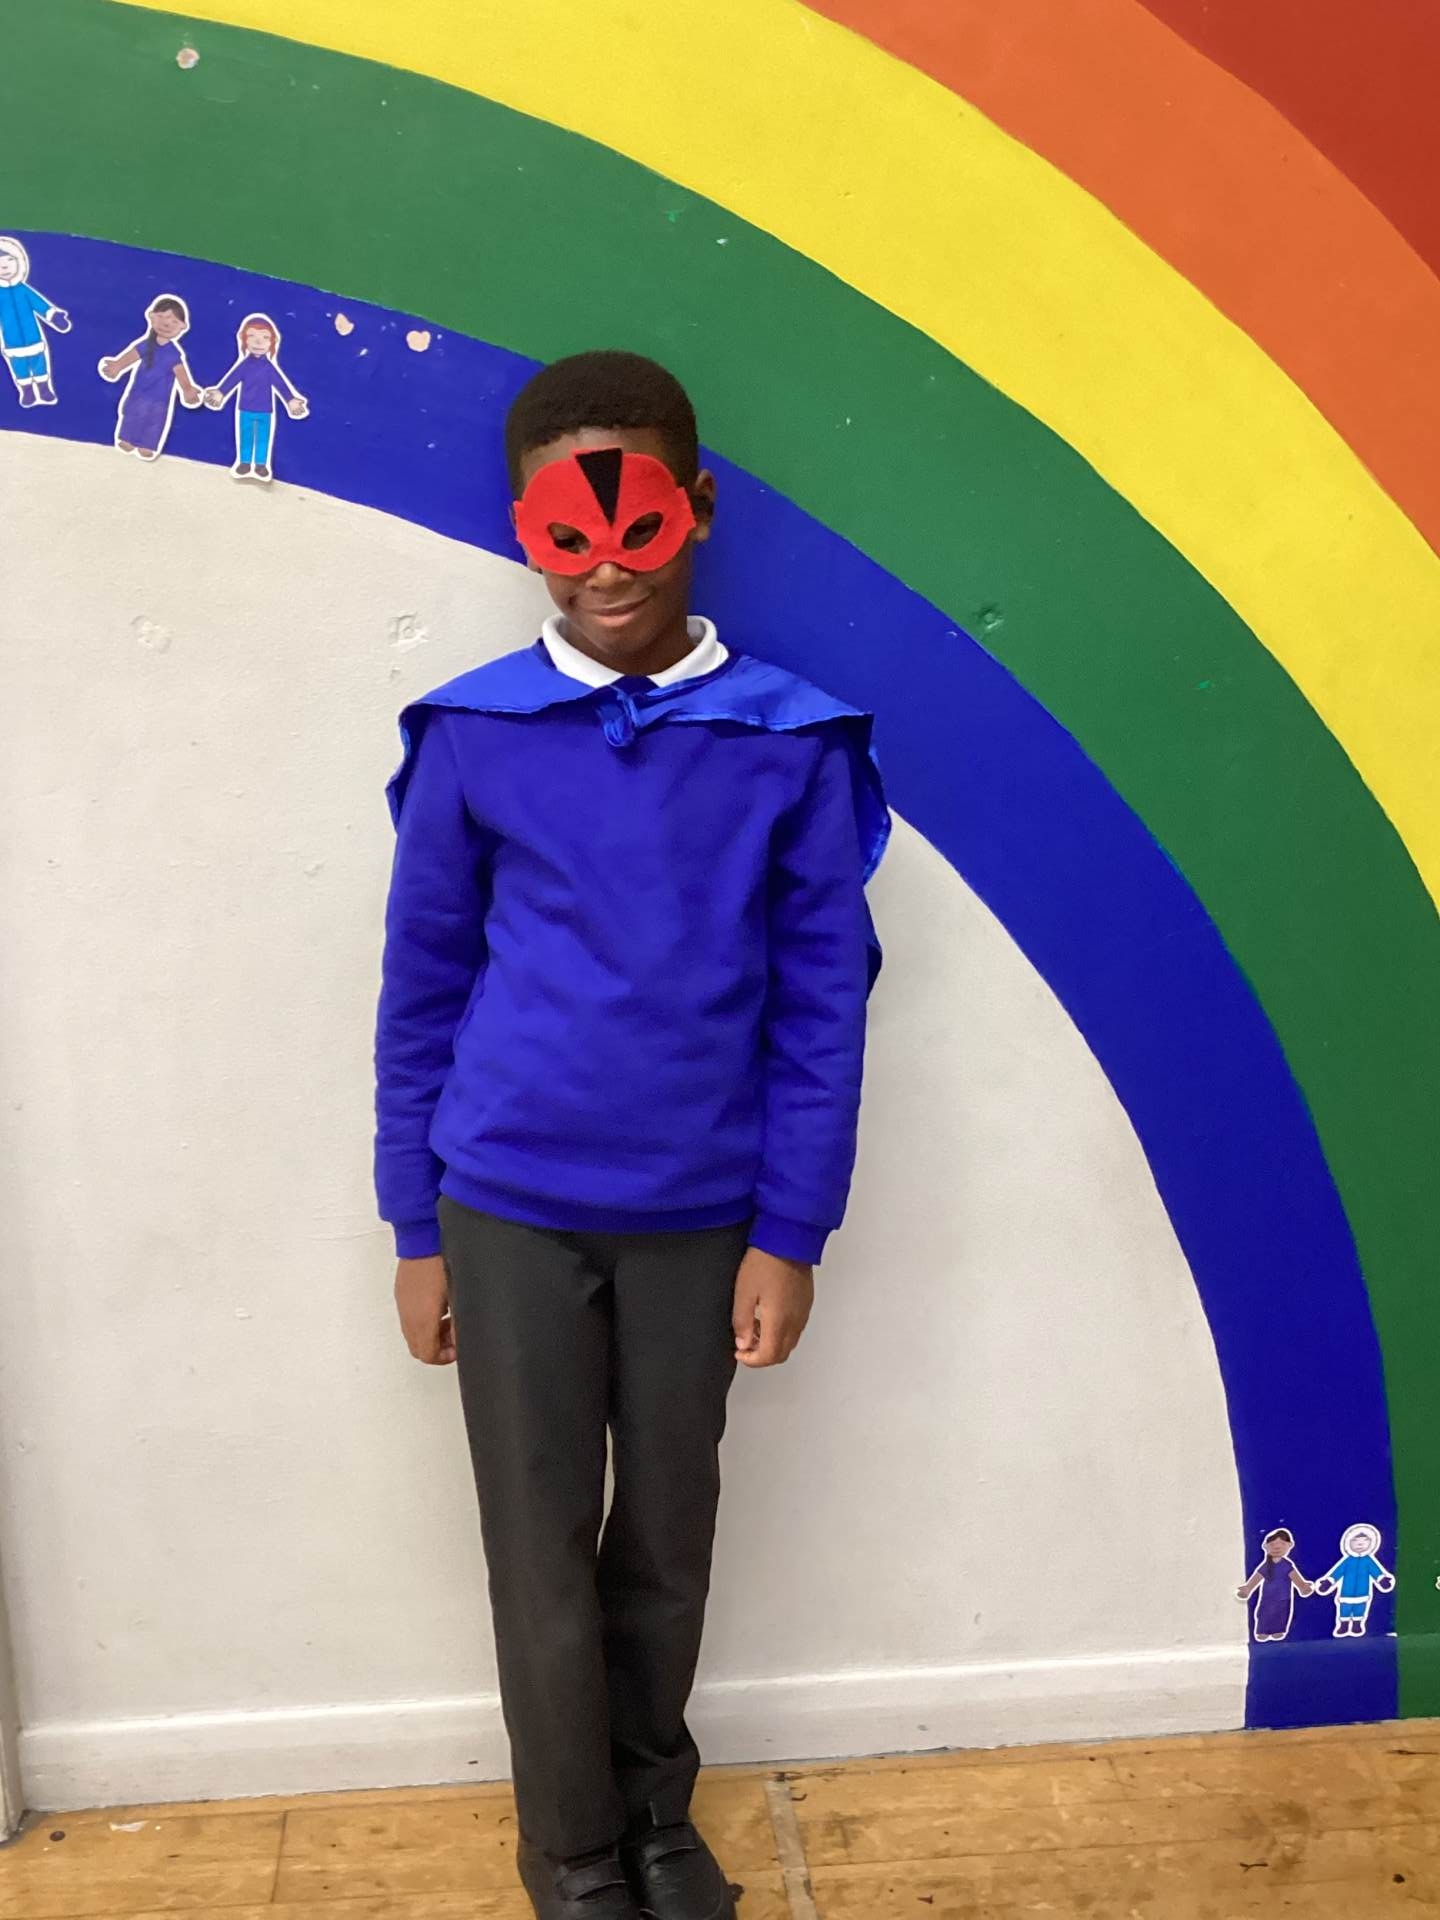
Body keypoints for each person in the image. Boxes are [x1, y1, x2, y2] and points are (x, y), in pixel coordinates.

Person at [374, 350, 888, 1920]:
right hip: (508, 1209)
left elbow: (826, 1003)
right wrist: (414, 1226)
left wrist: (792, 1229)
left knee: (668, 1535)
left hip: (700, 1214)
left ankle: (658, 1815)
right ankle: (573, 1846)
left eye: (639, 525)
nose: (607, 568)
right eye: (568, 534)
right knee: (540, 1546)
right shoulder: (474, 734)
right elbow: (420, 989)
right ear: (526, 532)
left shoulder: (790, 742)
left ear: (698, 509)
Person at [203, 311, 308, 480]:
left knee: (263, 437)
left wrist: (290, 400)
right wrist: (221, 392)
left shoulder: (269, 368)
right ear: (244, 340)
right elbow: (232, 379)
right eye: (252, 336)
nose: (258, 342)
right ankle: (244, 462)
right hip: (245, 407)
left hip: (265, 409)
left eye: (265, 337)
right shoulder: (244, 365)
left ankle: (261, 464)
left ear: (272, 342)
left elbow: (280, 384)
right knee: (245, 435)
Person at [98, 294, 204, 459]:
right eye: (161, 317)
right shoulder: (146, 344)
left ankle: (147, 444)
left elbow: (180, 372)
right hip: (139, 392)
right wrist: (118, 365)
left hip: (160, 398)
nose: (166, 324)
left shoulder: (173, 352)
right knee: (132, 413)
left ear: (182, 326)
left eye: (173, 321)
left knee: (155, 421)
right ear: (152, 317)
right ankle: (127, 438)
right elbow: (132, 355)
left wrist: (187, 389)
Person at [0, 236, 71, 408]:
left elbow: (41, 305)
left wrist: (54, 317)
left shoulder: (24, 290)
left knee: (39, 364)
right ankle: (27, 391)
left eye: (9, 260)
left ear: (19, 263)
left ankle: (44, 388)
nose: (4, 267)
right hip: (12, 342)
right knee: (19, 367)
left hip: (34, 338)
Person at [1314, 1523, 1395, 1638]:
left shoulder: (1368, 1561)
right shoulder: (1347, 1561)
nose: (1360, 1544)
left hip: (1363, 1592)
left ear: (1370, 1544)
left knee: (1360, 1608)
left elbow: (1376, 1572)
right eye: (1355, 1541)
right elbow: (1337, 1572)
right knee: (1345, 1609)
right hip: (1346, 1592)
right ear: (1349, 1543)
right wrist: (1328, 1582)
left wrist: (1382, 1580)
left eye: (1364, 1541)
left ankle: (1357, 1624)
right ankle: (1344, 1624)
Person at [1236, 1528, 1314, 1642]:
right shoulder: (1266, 1565)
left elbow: (1295, 1577)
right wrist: (1248, 1588)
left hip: (1283, 1597)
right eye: (1272, 1544)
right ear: (1266, 1547)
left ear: (1289, 1545)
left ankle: (1278, 1630)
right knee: (1264, 1613)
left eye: (1282, 1544)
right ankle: (1262, 1630)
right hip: (1267, 1597)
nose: (1277, 1547)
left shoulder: (1287, 1565)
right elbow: (1257, 1577)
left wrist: (1303, 1586)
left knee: (1281, 1614)